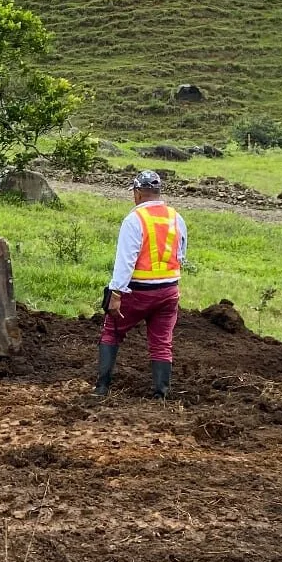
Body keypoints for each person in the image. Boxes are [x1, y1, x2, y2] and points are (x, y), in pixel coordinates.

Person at [92, 169, 187, 399]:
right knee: (162, 342)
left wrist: (115, 293)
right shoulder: (176, 217)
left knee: (111, 332)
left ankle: (102, 388)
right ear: (157, 191)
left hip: (138, 291)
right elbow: (181, 254)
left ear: (137, 192)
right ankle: (161, 394)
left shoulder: (134, 219)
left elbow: (126, 261)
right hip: (168, 291)